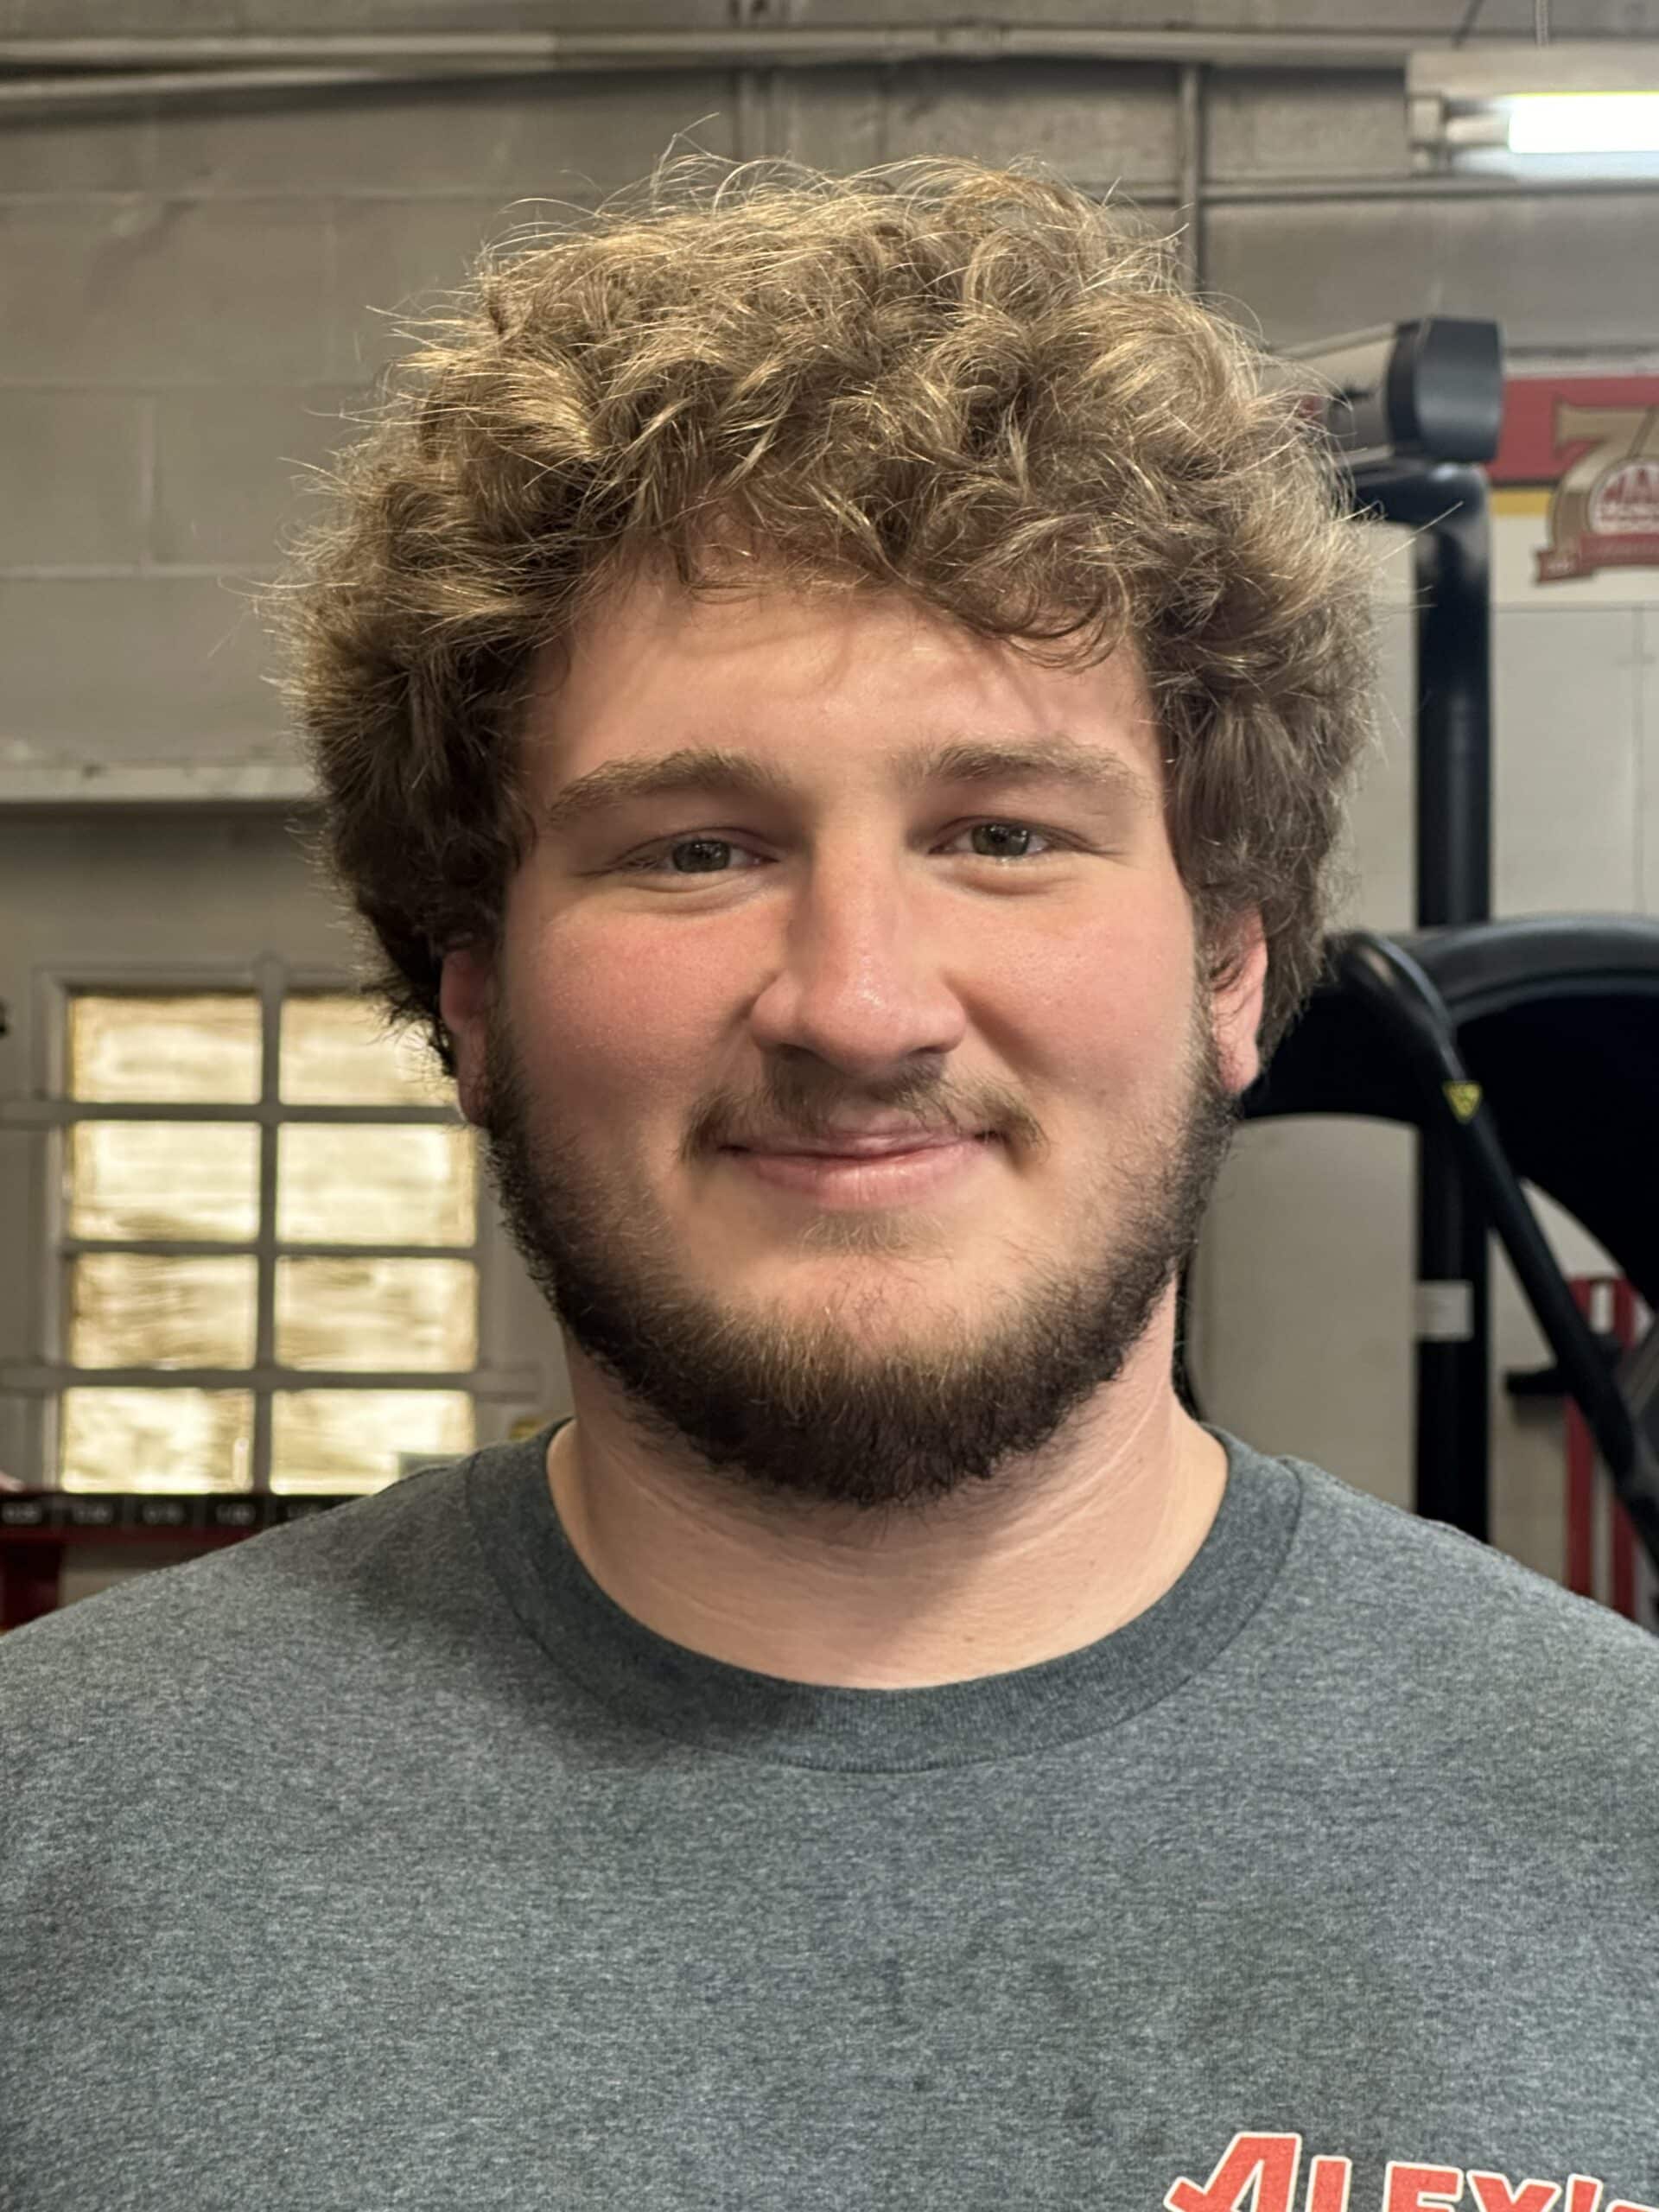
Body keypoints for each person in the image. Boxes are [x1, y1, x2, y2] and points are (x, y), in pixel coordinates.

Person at [3, 156, 1656, 2211]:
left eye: (1005, 832)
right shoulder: (43, 1838)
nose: (859, 1004)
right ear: (479, 995)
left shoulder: (1624, 1838)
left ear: (1234, 966)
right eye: (692, 846)